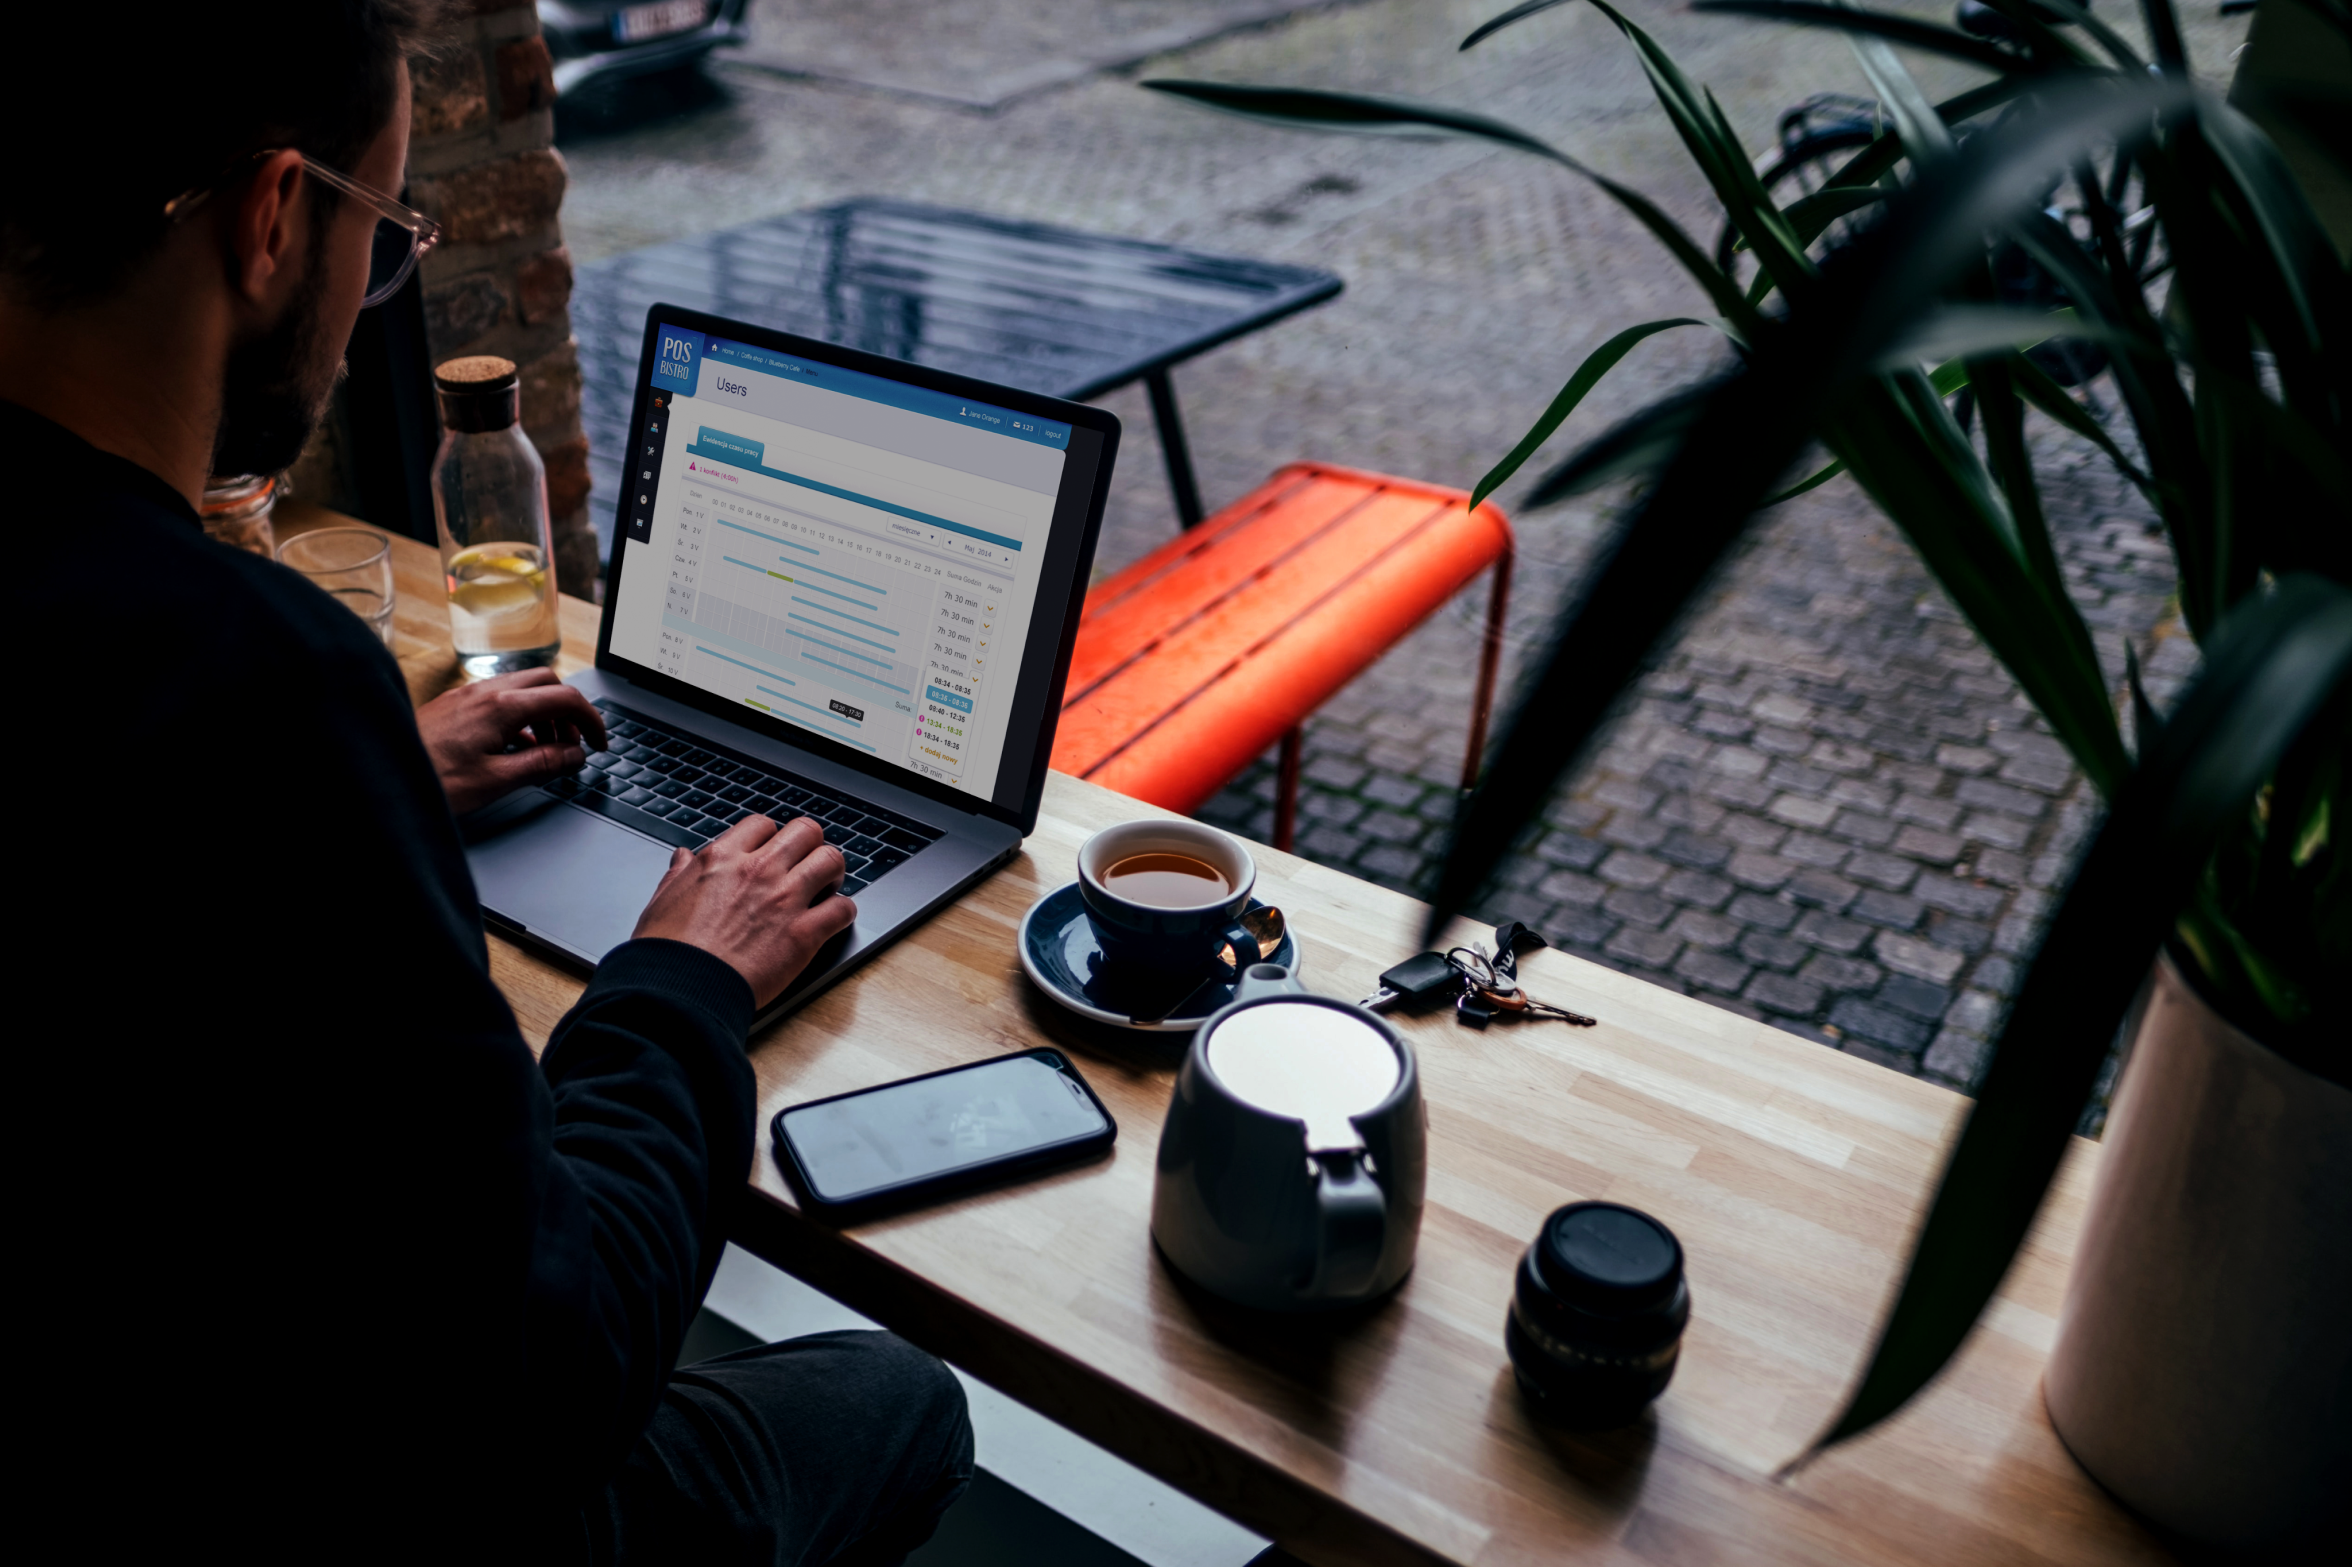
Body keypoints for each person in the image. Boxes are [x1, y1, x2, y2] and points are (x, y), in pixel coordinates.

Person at [1, 4, 970, 1559]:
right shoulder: (251, 679)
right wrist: (682, 981)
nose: (375, 282)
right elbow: (548, 1377)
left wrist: (376, 777)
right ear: (269, 215)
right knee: (901, 1389)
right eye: (383, 231)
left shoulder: (199, 690)